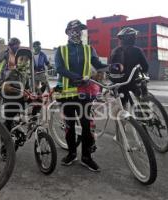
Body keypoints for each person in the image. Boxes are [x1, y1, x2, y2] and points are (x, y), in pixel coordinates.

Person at [55, 19, 112, 171]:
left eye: (80, 30)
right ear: (67, 32)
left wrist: (112, 67)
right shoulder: (61, 50)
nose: (78, 32)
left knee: (87, 126)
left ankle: (86, 157)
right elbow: (59, 69)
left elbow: (98, 65)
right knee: (70, 125)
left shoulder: (89, 49)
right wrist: (74, 76)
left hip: (84, 93)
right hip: (67, 93)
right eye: (74, 29)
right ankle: (72, 153)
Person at [109, 27, 149, 106]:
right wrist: (141, 70)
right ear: (132, 39)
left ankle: (125, 114)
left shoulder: (114, 51)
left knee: (122, 105)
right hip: (132, 82)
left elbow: (110, 67)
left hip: (117, 82)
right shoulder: (137, 50)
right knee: (142, 88)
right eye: (134, 37)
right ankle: (145, 107)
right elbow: (145, 67)